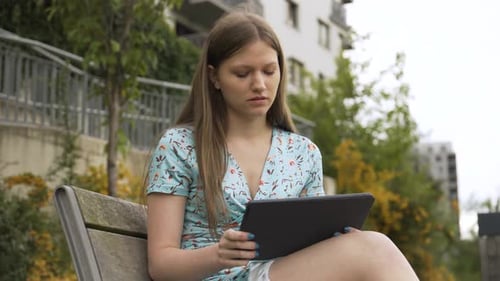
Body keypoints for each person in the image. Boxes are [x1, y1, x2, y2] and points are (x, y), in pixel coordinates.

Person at [146, 11, 419, 281]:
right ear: (214, 77)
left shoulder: (303, 153)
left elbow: (313, 240)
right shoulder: (179, 146)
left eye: (269, 71)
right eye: (242, 74)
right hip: (215, 278)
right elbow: (160, 265)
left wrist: (339, 241)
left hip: (282, 273)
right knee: (375, 250)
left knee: (370, 248)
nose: (259, 84)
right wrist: (218, 255)